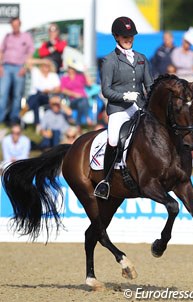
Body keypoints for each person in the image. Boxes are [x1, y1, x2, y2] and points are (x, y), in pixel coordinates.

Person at [94, 16, 153, 199]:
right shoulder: (109, 60)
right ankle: (106, 180)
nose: (128, 39)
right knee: (113, 140)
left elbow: (149, 86)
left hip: (138, 108)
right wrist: (124, 96)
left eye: (131, 36)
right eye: (124, 36)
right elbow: (106, 90)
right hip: (119, 109)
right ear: (116, 37)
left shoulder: (141, 59)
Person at [0, 17, 34, 124]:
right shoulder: (7, 37)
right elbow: (1, 51)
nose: (15, 27)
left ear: (20, 25)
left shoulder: (26, 37)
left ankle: (14, 118)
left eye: (16, 25)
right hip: (6, 67)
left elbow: (30, 52)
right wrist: (0, 66)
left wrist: (25, 67)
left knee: (17, 95)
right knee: (2, 93)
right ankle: (1, 117)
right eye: (13, 25)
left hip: (19, 68)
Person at [20, 58, 61, 128]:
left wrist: (49, 91)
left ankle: (25, 109)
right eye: (44, 65)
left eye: (47, 66)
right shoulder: (36, 72)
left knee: (37, 96)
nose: (45, 67)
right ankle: (38, 125)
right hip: (35, 96)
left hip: (47, 96)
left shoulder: (53, 76)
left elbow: (58, 89)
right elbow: (28, 62)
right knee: (36, 100)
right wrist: (42, 61)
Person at [60, 60, 93, 131]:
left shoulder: (80, 77)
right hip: (72, 100)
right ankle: (87, 117)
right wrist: (74, 94)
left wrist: (85, 72)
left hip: (82, 100)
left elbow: (90, 84)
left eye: (72, 68)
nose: (71, 70)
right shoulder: (64, 78)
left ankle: (78, 124)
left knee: (82, 102)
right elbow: (63, 90)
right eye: (69, 68)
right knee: (83, 101)